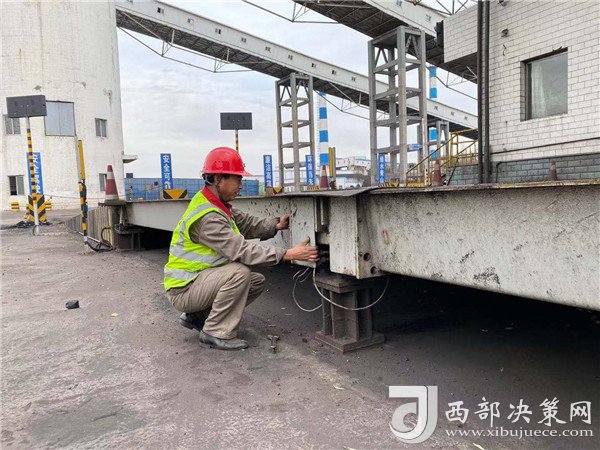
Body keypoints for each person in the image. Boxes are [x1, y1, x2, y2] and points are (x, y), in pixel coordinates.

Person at [164, 147, 319, 350]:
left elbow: (246, 223)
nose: (241, 185)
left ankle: (198, 316)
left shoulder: (216, 204)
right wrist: (287, 254)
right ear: (218, 179)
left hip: (197, 282)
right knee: (239, 273)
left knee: (255, 281)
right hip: (183, 289)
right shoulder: (208, 217)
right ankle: (215, 331)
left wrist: (276, 225)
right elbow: (242, 251)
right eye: (237, 179)